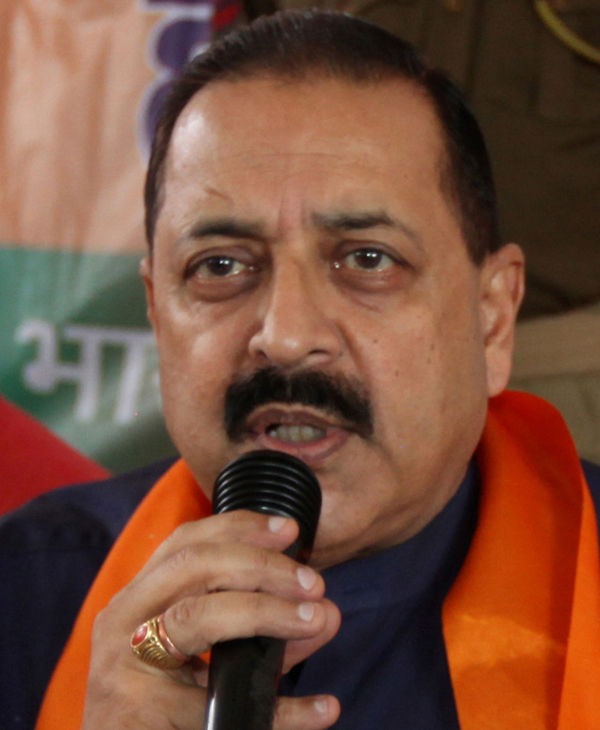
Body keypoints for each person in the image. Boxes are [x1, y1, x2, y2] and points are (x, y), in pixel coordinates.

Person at [2, 10, 600, 730]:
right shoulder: (29, 589)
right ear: (157, 314)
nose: (286, 339)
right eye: (220, 267)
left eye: (368, 259)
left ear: (492, 319)